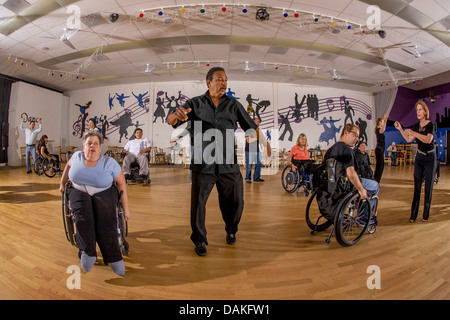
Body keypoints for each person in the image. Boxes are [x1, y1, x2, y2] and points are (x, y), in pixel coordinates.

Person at [167, 66, 271, 256]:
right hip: (202, 163)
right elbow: (171, 120)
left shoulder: (233, 104)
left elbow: (251, 126)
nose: (224, 83)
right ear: (209, 82)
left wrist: (265, 145)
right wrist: (175, 116)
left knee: (236, 201)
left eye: (225, 80)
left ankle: (231, 230)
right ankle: (199, 240)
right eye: (219, 79)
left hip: (228, 163)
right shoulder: (195, 103)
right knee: (198, 205)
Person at [59, 130, 130, 275]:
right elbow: (67, 166)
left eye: (96, 143)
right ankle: (88, 252)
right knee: (83, 216)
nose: (92, 146)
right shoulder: (76, 157)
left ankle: (113, 257)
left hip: (103, 191)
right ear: (83, 146)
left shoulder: (109, 163)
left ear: (100, 147)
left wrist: (126, 208)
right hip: (78, 190)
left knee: (106, 218)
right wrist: (62, 183)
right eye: (89, 143)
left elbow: (121, 185)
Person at [324, 124, 379, 221]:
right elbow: (351, 174)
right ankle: (363, 218)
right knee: (375, 186)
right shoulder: (347, 150)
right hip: (346, 185)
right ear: (346, 133)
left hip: (333, 186)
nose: (357, 139)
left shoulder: (329, 151)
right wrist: (361, 190)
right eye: (355, 135)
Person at [394, 101, 436, 223]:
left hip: (430, 159)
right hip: (419, 159)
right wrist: (401, 129)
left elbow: (428, 140)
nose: (418, 112)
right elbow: (408, 139)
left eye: (420, 110)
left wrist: (414, 133)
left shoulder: (430, 125)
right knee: (417, 187)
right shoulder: (417, 126)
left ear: (425, 111)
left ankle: (426, 215)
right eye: (417, 110)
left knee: (428, 188)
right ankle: (413, 215)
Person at [245, 117, 265, 183]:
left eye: (259, 121)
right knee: (249, 165)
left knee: (259, 163)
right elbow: (248, 140)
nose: (259, 123)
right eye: (258, 121)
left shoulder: (257, 130)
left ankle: (256, 178)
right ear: (253, 122)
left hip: (256, 150)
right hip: (249, 150)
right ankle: (247, 178)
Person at [374, 114, 389, 183]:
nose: (383, 123)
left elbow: (383, 129)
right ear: (379, 123)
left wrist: (385, 120)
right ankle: (376, 180)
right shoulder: (378, 129)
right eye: (382, 122)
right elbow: (383, 130)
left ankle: (377, 180)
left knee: (381, 166)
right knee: (379, 166)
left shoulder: (379, 129)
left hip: (381, 150)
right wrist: (385, 119)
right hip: (379, 149)